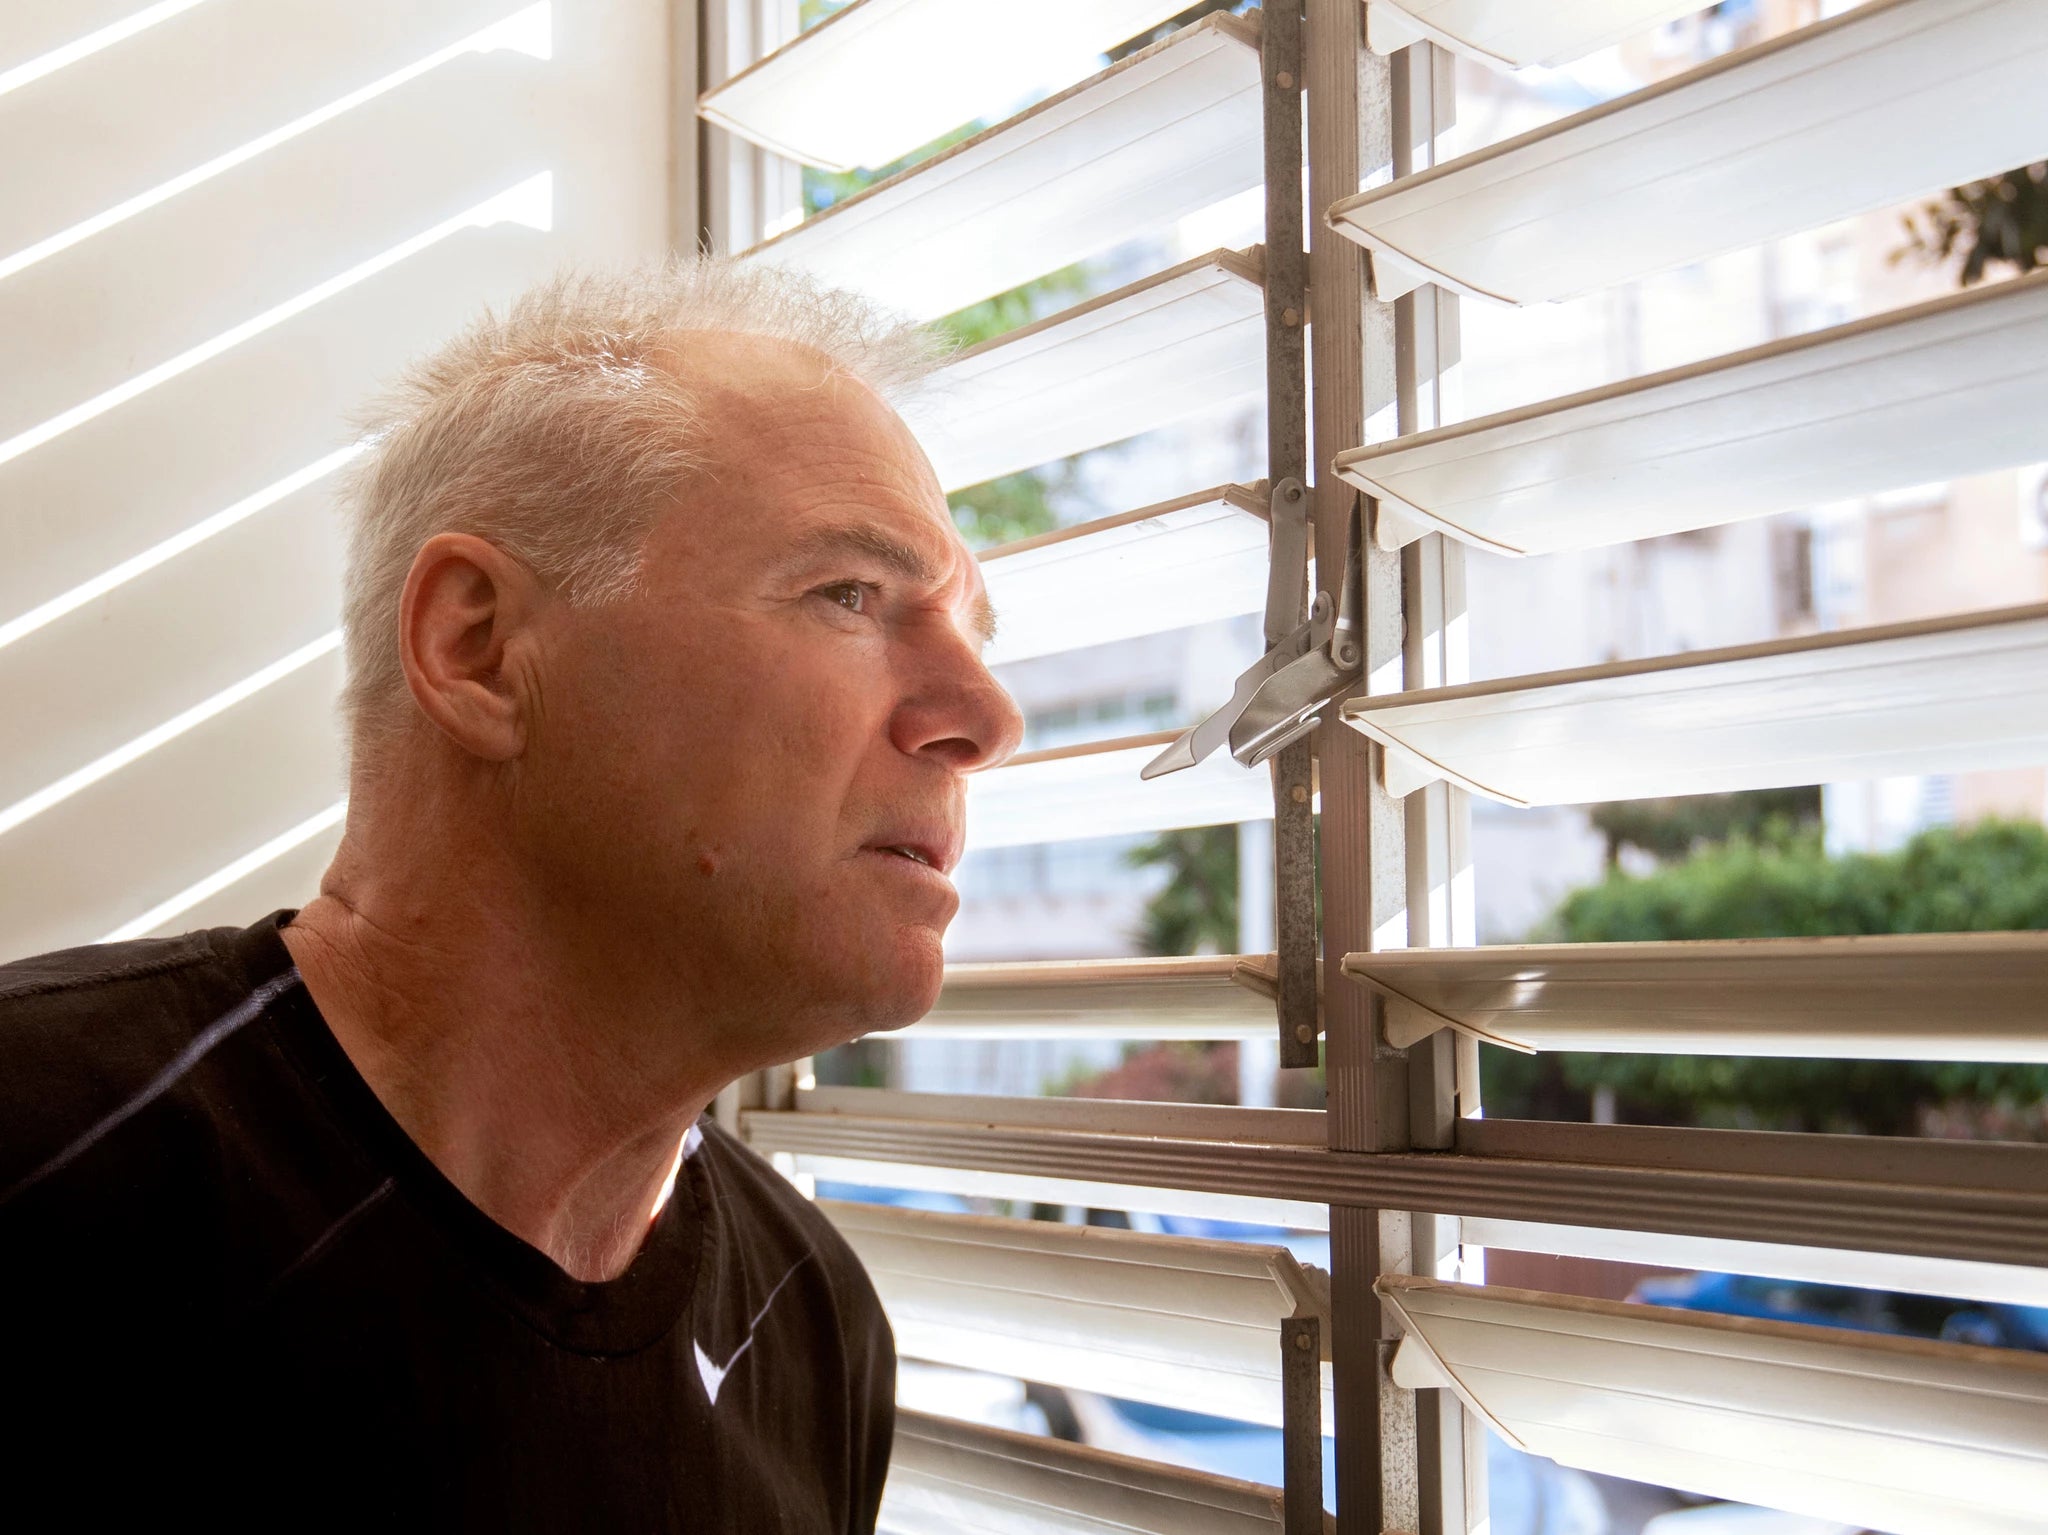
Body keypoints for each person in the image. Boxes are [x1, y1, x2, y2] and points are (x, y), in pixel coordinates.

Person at [0, 259, 1024, 1530]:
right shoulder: (36, 1154)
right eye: (850, 595)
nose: (987, 717)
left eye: (977, 634)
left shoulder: (811, 1324)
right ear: (477, 648)